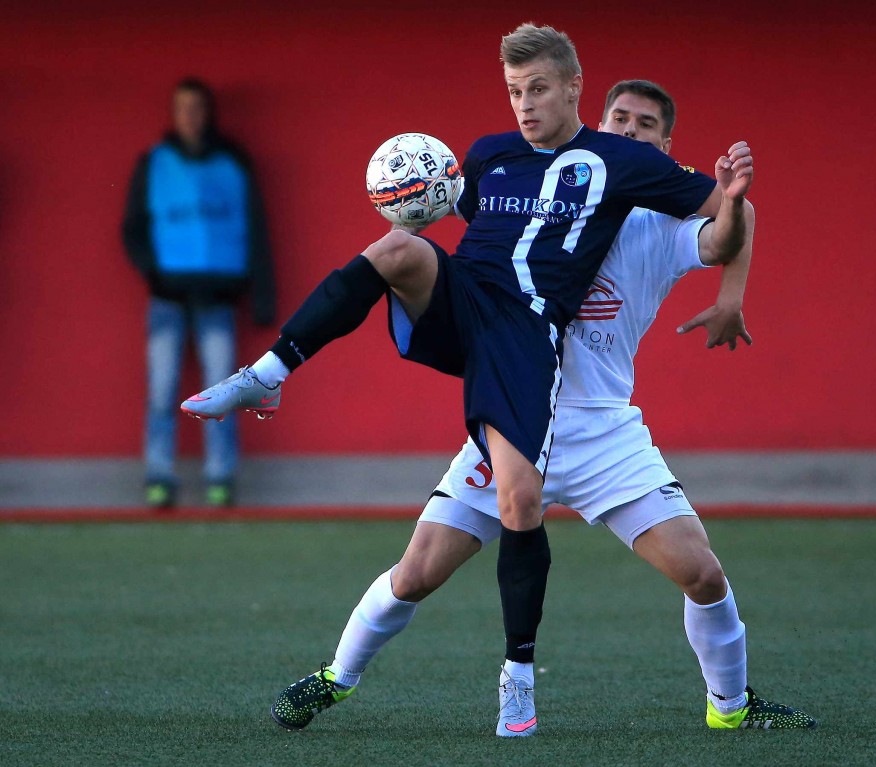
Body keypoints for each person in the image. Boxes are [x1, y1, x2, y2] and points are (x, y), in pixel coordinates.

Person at [182, 24, 751, 735]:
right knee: (416, 569)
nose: (630, 131)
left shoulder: (657, 224)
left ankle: (731, 707)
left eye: (646, 126)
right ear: (599, 114)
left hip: (597, 426)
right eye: (622, 119)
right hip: (503, 370)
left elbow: (726, 227)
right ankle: (336, 673)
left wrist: (730, 279)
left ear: (663, 148)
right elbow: (480, 222)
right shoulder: (507, 161)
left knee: (701, 572)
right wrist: (428, 199)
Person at [123, 77, 275, 508]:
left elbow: (256, 228)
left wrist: (261, 295)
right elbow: (132, 228)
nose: (189, 116)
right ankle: (159, 476)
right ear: (173, 114)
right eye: (182, 108)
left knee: (221, 391)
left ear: (208, 113)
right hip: (167, 297)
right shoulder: (154, 163)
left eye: (196, 107)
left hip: (218, 298)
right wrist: (154, 272)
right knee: (161, 389)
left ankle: (220, 477)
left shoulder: (233, 163)